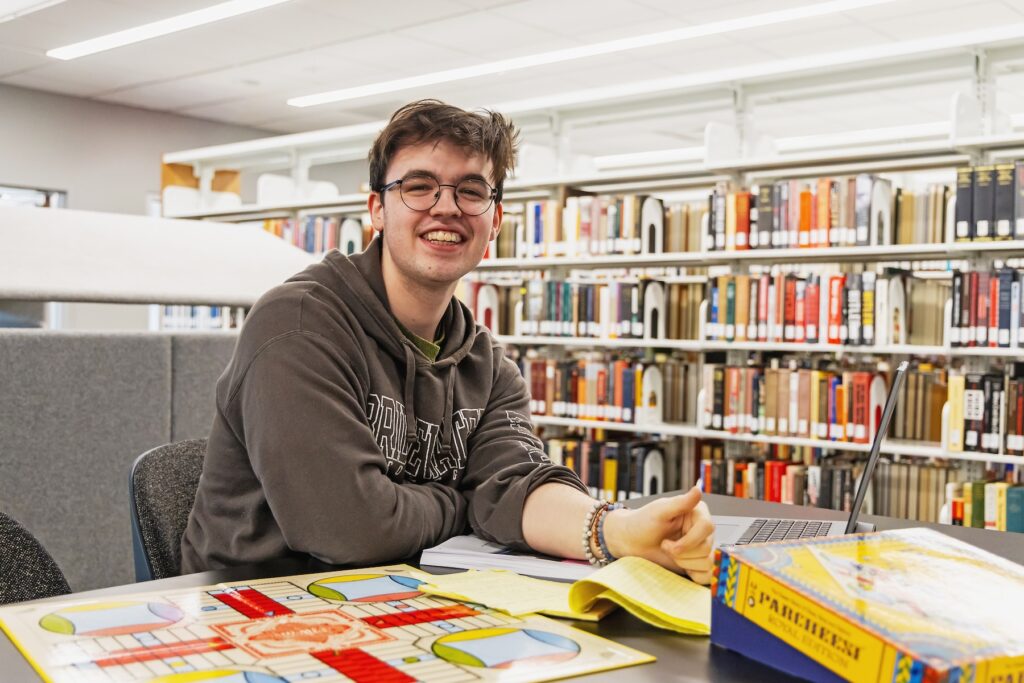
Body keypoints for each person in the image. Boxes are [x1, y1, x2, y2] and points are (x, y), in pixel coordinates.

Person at [181, 100, 716, 583]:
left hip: (398, 596)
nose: (446, 207)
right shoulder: (298, 327)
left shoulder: (485, 363)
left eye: (471, 190)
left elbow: (514, 486)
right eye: (418, 186)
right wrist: (464, 502)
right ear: (376, 209)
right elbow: (346, 529)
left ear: (496, 219)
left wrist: (615, 531)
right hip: (254, 607)